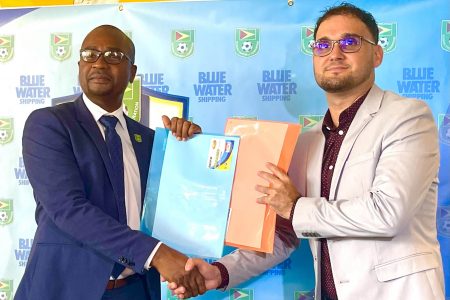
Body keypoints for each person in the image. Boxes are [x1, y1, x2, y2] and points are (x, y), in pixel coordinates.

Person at [169, 3, 445, 300]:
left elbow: (388, 213)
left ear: (376, 54)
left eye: (350, 42)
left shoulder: (407, 116)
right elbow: (285, 234)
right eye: (323, 45)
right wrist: (222, 272)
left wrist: (295, 206)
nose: (335, 53)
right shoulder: (307, 141)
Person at [15, 25, 206, 300]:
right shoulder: (50, 124)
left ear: (133, 73)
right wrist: (156, 253)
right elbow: (68, 209)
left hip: (137, 290)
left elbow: (177, 206)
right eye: (90, 54)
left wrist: (190, 149)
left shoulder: (150, 140)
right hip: (66, 289)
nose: (100, 63)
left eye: (114, 55)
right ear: (80, 64)